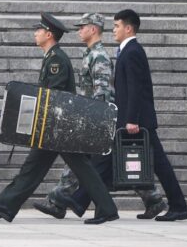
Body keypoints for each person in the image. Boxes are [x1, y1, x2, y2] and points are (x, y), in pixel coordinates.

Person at [0, 13, 118, 224]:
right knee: (35, 167)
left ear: (48, 34)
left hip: (59, 127)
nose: (35, 33)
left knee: (79, 168)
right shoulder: (52, 57)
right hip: (56, 126)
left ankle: (107, 208)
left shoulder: (56, 59)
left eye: (38, 30)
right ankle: (6, 206)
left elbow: (53, 97)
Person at [34, 13, 167, 220]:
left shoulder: (100, 56)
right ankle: (59, 201)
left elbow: (103, 92)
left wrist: (94, 119)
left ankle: (60, 201)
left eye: (82, 27)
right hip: (90, 115)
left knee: (101, 162)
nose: (79, 30)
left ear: (93, 29)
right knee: (89, 161)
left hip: (97, 118)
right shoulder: (90, 54)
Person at [65, 9, 187, 222]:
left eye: (117, 26)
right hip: (132, 119)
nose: (113, 30)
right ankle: (82, 200)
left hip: (135, 121)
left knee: (135, 163)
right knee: (110, 161)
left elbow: (135, 89)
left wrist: (132, 119)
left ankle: (83, 200)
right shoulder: (128, 50)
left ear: (128, 28)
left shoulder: (132, 51)